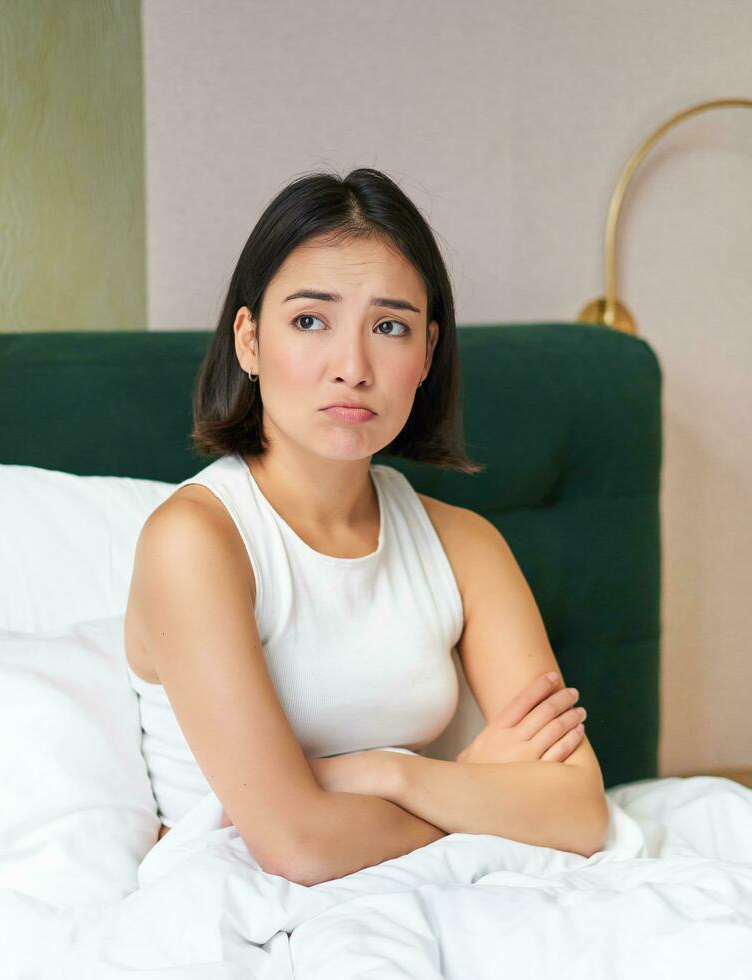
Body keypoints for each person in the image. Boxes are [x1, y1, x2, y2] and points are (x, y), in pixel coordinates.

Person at [123, 168, 608, 887]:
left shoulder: (465, 545)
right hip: (234, 897)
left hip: (419, 889)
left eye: (389, 327)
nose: (352, 368)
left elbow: (578, 811)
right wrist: (471, 785)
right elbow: (296, 846)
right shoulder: (197, 541)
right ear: (249, 341)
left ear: (428, 354)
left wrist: (392, 774)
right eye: (310, 320)